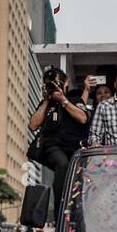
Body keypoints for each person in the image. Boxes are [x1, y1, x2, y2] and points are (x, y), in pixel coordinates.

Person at [28, 68, 88, 216]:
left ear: (65, 83)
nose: (54, 87)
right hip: (52, 146)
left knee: (74, 177)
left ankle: (75, 213)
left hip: (73, 148)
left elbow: (83, 118)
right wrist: (47, 100)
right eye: (49, 84)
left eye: (56, 83)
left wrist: (63, 100)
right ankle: (59, 213)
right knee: (62, 164)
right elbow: (33, 125)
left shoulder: (74, 99)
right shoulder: (46, 103)